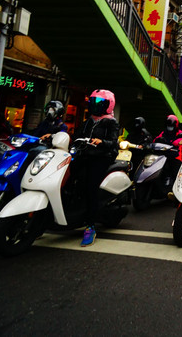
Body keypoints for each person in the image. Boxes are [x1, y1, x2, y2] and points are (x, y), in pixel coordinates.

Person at [72, 89, 120, 247]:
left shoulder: (111, 122)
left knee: (91, 187)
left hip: (101, 157)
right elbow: (76, 136)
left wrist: (102, 142)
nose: (95, 105)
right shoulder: (89, 120)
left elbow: (113, 142)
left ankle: (90, 226)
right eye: (93, 101)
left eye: (99, 102)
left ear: (108, 105)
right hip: (84, 155)